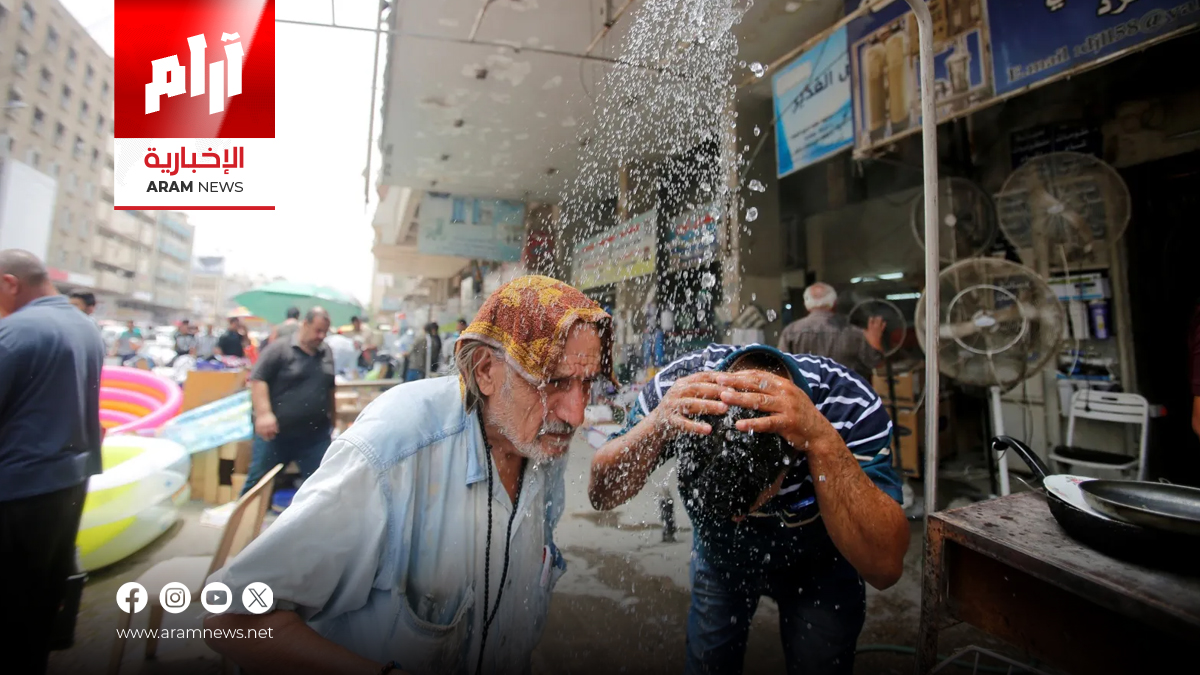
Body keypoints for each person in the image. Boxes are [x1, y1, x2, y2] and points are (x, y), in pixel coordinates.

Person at [205, 276, 611, 675]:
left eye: (586, 384)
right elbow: (230, 620)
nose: (575, 414)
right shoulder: (394, 450)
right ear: (486, 371)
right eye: (552, 382)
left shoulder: (542, 448)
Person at [590, 343, 908, 675]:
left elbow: (885, 568)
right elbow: (602, 495)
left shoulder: (848, 405)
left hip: (822, 563)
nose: (738, 519)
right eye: (722, 511)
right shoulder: (678, 390)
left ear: (791, 458)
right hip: (721, 558)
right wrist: (656, 424)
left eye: (750, 505)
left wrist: (821, 438)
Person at [0, 250, 105, 673]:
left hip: (17, 490)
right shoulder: (86, 328)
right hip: (68, 484)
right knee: (42, 597)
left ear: (10, 283)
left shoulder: (16, 333)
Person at [239, 308, 336, 496]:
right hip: (276, 433)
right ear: (305, 325)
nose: (321, 336)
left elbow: (330, 387)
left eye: (325, 332)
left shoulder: (326, 352)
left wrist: (333, 418)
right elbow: (258, 379)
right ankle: (244, 523)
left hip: (314, 435)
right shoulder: (279, 349)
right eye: (317, 330)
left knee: (321, 485)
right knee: (258, 482)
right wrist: (264, 414)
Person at [778, 282, 886, 381]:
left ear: (806, 304)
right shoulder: (853, 332)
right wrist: (875, 340)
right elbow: (875, 363)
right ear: (834, 303)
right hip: (843, 397)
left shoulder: (791, 331)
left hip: (806, 396)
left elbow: (780, 366)